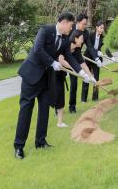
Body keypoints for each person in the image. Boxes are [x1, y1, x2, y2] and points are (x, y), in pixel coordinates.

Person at [13, 13, 87, 159]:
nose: (72, 28)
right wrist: (53, 63)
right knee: (26, 110)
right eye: (71, 25)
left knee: (44, 111)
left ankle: (40, 141)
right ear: (64, 23)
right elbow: (38, 50)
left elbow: (69, 56)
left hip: (47, 79)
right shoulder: (45, 30)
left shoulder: (65, 39)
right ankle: (19, 146)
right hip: (32, 75)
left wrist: (82, 73)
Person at [51, 30, 96, 128]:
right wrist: (74, 69)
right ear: (75, 39)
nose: (82, 41)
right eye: (81, 39)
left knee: (60, 95)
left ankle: (60, 122)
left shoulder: (77, 50)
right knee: (56, 95)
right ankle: (57, 115)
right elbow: (61, 60)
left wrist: (90, 76)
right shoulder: (65, 46)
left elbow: (82, 64)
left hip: (62, 73)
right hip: (53, 71)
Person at [68, 14, 100, 113]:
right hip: (65, 56)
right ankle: (59, 107)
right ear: (77, 22)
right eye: (83, 24)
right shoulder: (70, 28)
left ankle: (72, 107)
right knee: (67, 83)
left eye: (86, 24)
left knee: (75, 82)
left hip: (77, 55)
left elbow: (89, 47)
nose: (85, 26)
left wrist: (96, 58)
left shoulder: (85, 33)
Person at [81, 20, 105, 102]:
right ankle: (83, 99)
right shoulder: (90, 35)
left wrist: (101, 53)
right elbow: (90, 47)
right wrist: (96, 52)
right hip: (88, 58)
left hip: (97, 60)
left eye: (103, 28)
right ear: (97, 27)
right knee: (86, 77)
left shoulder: (102, 38)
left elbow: (104, 48)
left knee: (96, 78)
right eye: (101, 28)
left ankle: (95, 98)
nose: (102, 30)